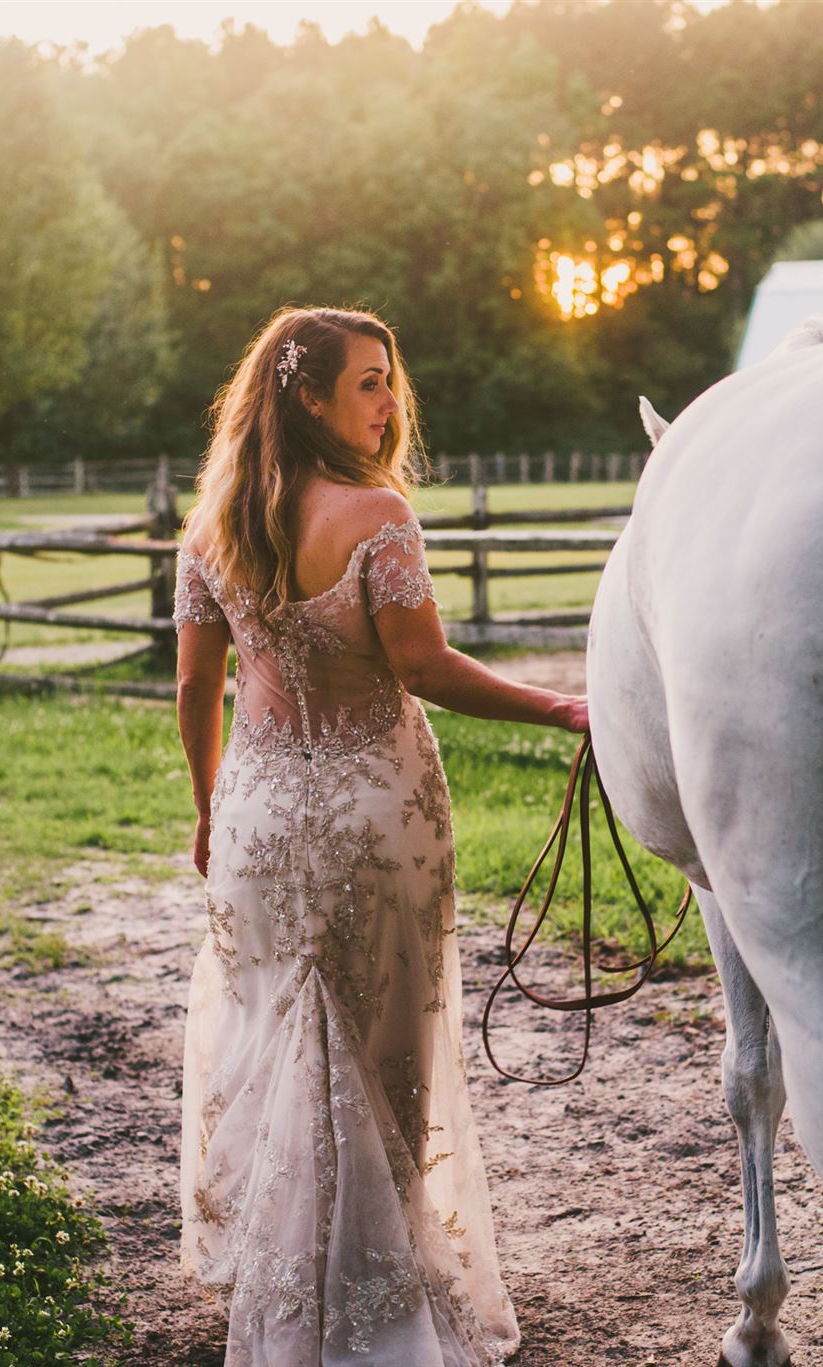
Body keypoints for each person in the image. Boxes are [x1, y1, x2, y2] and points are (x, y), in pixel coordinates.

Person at [173, 306, 588, 1364]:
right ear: (306, 397)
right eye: (365, 381)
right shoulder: (376, 515)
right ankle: (370, 1288)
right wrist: (564, 707)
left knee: (275, 1041)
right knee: (386, 1045)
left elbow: (193, 687)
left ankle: (289, 1285)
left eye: (388, 380)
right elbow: (426, 669)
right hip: (375, 811)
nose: (387, 401)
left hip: (258, 816)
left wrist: (207, 804)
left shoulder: (210, 526)